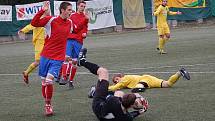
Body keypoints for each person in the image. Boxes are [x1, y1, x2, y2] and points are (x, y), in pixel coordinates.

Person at [78, 48, 148, 121]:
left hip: (97, 105)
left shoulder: (113, 100)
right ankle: (94, 92)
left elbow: (115, 95)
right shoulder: (126, 118)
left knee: (103, 72)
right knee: (117, 97)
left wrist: (137, 96)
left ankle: (82, 61)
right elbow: (130, 115)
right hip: (101, 116)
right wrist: (139, 112)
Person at [31, 1, 73, 116]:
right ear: (62, 10)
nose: (71, 12)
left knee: (49, 81)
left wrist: (66, 54)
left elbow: (66, 38)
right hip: (45, 56)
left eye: (71, 10)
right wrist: (42, 11)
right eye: (69, 10)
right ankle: (47, 104)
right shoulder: (51, 20)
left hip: (58, 59)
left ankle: (48, 105)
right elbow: (34, 23)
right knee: (44, 83)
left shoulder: (70, 23)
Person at [59, 0, 89, 88]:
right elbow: (72, 26)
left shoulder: (85, 17)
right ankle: (64, 77)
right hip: (69, 39)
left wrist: (85, 33)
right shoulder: (71, 15)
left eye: (84, 6)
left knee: (75, 62)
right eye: (81, 6)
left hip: (79, 41)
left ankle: (71, 81)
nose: (82, 8)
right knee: (66, 57)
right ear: (77, 6)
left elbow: (85, 28)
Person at [18, 11, 50, 84]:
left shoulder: (49, 19)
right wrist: (22, 31)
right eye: (47, 10)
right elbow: (31, 25)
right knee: (38, 61)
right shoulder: (38, 19)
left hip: (47, 42)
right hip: (39, 42)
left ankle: (53, 75)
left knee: (51, 59)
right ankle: (26, 73)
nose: (49, 11)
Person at [108, 68, 190, 92]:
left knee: (138, 88)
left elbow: (117, 86)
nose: (117, 81)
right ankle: (179, 73)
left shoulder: (124, 78)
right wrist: (112, 86)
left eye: (117, 79)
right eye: (115, 81)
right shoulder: (124, 81)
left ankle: (140, 88)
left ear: (120, 76)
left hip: (145, 79)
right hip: (148, 79)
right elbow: (117, 86)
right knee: (168, 84)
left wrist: (105, 88)